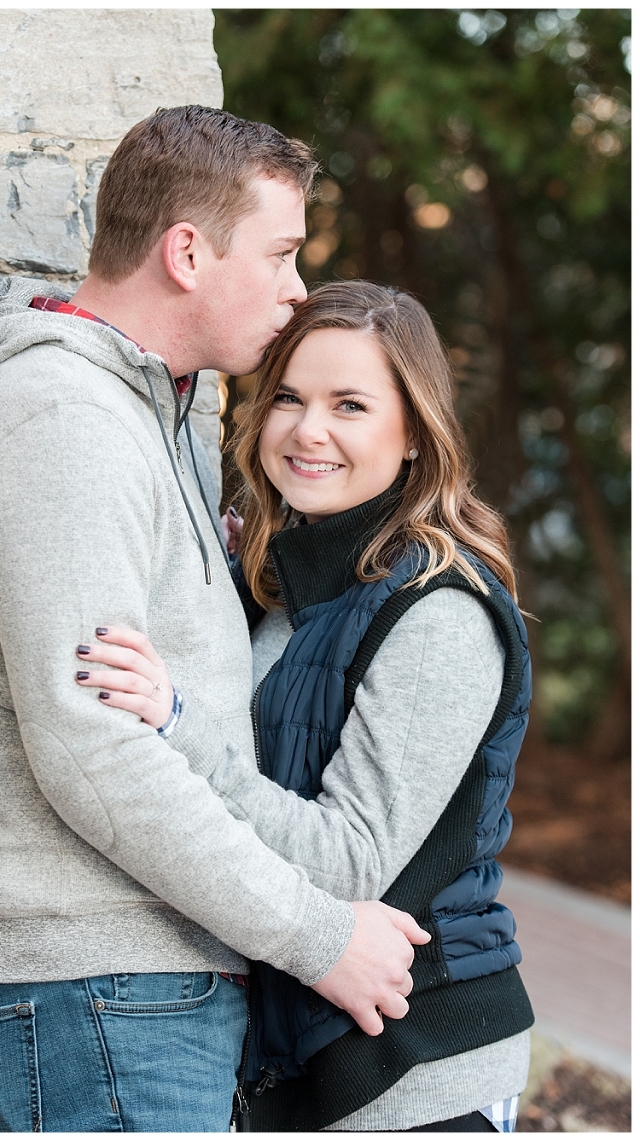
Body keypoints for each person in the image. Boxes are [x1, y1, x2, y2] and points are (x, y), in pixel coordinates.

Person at [0, 109, 429, 1133]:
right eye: (279, 253)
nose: (296, 289)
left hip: (123, 991)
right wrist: (318, 936)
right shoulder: (65, 424)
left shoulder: (138, 414)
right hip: (97, 988)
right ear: (187, 253)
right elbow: (94, 750)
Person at [75, 281, 535, 1132]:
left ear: (414, 434)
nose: (308, 429)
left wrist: (177, 725)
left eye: (349, 404)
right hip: (305, 1049)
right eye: (289, 397)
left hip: (414, 1060)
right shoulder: (283, 587)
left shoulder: (440, 612)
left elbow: (349, 861)